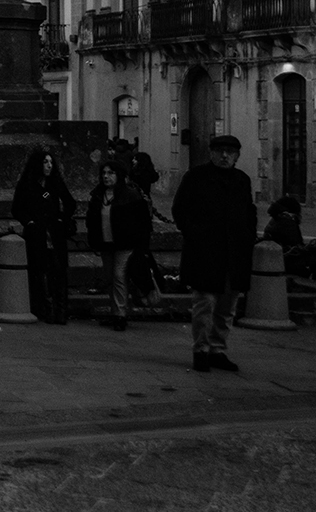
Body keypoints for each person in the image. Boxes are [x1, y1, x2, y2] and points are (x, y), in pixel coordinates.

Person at [171, 133, 255, 372]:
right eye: (220, 151)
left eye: (230, 152)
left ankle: (218, 349)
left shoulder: (242, 180)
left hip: (234, 254)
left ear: (237, 156)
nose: (225, 156)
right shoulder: (196, 177)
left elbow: (248, 211)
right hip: (204, 252)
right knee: (204, 304)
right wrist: (194, 233)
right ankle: (201, 349)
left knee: (227, 307)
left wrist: (248, 235)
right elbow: (180, 209)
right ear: (212, 153)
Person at [13, 149, 77, 325]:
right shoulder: (28, 184)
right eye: (45, 162)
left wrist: (61, 219)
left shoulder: (55, 184)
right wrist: (29, 222)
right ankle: (45, 309)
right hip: (37, 234)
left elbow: (70, 203)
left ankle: (60, 311)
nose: (49, 165)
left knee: (58, 272)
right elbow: (17, 208)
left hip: (54, 234)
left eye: (51, 162)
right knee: (39, 272)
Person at [86, 161, 152, 331]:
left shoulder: (130, 196)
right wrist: (93, 239)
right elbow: (92, 219)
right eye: (104, 173)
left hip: (125, 243)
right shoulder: (98, 195)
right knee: (109, 277)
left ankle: (120, 314)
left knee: (119, 275)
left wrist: (141, 244)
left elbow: (143, 221)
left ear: (119, 175)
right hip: (106, 242)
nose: (106, 176)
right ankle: (114, 311)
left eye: (111, 173)